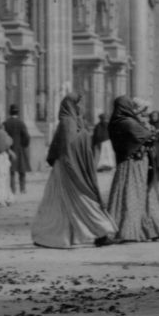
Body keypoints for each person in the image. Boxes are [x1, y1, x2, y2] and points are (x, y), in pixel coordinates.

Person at [30, 92, 116, 249]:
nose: (81, 107)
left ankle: (99, 232)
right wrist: (73, 167)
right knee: (66, 202)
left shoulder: (72, 122)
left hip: (69, 168)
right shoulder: (69, 123)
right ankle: (56, 236)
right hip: (67, 169)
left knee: (69, 202)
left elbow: (67, 146)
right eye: (78, 103)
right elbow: (68, 148)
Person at [105, 96, 159, 242]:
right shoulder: (128, 122)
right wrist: (150, 131)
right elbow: (149, 136)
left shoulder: (115, 122)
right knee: (136, 194)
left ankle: (141, 229)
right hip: (135, 163)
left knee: (128, 194)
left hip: (126, 162)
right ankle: (132, 231)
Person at [3, 104, 33, 194]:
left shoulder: (5, 123)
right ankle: (22, 188)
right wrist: (24, 145)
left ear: (9, 112)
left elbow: (3, 137)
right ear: (18, 112)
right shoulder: (21, 123)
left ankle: (12, 189)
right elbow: (27, 136)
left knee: (11, 170)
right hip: (19, 148)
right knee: (22, 170)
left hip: (9, 149)